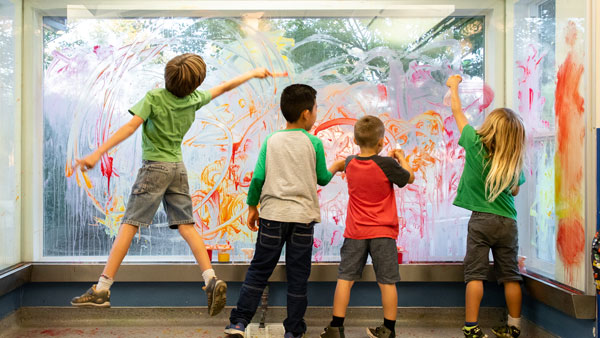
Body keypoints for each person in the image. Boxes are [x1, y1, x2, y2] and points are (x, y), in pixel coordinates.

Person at [70, 53, 272, 317]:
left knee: (129, 224)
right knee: (186, 225)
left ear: (167, 77)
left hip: (154, 168)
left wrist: (98, 152)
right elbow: (224, 88)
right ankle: (210, 278)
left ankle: (102, 288)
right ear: (195, 84)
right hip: (178, 169)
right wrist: (253, 73)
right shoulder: (194, 100)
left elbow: (131, 127)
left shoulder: (154, 98)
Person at [224, 84, 346, 338]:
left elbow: (258, 178)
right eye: (315, 109)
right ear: (305, 113)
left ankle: (238, 322)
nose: (316, 114)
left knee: (259, 270)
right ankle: (293, 330)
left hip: (272, 217)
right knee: (298, 276)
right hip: (302, 219)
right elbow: (322, 178)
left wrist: (251, 207)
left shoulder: (272, 140)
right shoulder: (313, 143)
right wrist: (337, 165)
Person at [320, 115, 415, 338]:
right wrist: (401, 158)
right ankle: (388, 330)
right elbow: (409, 178)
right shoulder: (388, 164)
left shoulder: (349, 163)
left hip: (355, 233)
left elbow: (330, 170)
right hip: (383, 233)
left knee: (345, 278)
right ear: (381, 142)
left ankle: (336, 327)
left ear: (355, 140)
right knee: (387, 282)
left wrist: (332, 167)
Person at [446, 75, 526, 338]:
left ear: (490, 126)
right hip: (507, 222)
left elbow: (457, 110)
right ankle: (514, 327)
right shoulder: (513, 162)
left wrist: (453, 86)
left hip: (481, 221)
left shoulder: (473, 142)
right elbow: (514, 189)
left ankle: (471, 327)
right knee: (510, 276)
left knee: (475, 275)